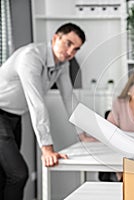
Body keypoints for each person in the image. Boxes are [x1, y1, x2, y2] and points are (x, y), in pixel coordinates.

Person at [0, 22, 85, 199]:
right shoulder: (31, 56)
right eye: (68, 43)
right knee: (18, 174)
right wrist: (47, 148)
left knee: (5, 174)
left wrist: (82, 133)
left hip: (14, 116)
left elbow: (69, 99)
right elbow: (36, 102)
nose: (70, 52)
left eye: (76, 49)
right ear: (56, 38)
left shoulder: (63, 64)